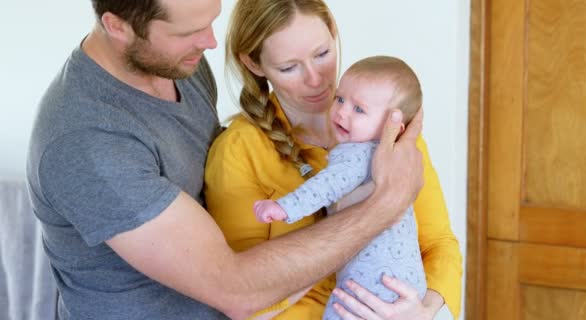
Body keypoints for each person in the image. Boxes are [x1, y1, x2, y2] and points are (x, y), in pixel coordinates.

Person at [26, 1, 424, 319]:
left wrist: (421, 307)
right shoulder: (86, 140)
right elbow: (237, 290)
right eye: (189, 32)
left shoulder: (182, 69)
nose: (211, 42)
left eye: (211, 19)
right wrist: (387, 203)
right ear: (117, 27)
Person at [204, 0, 463, 319]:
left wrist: (424, 310)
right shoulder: (238, 151)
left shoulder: (389, 129)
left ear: (333, 31)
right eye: (289, 67)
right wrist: (359, 222)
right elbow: (245, 295)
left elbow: (439, 243)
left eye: (322, 54)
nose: (315, 79)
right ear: (254, 64)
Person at [252, 55, 428, 320]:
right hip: (409, 287)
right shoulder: (400, 157)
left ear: (392, 126)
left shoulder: (357, 154)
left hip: (370, 286)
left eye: (359, 109)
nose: (342, 112)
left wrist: (283, 207)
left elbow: (326, 187)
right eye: (340, 99)